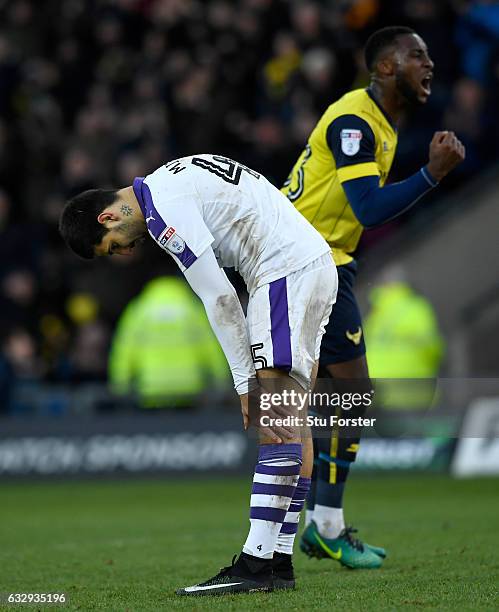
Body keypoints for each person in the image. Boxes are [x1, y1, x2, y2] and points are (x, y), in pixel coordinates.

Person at [59, 153, 337, 595]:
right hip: (308, 264)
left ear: (109, 215)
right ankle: (279, 560)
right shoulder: (173, 177)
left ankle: (254, 565)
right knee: (294, 423)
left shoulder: (163, 211)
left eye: (114, 244)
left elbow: (220, 298)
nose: (125, 253)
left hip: (283, 274)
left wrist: (245, 381)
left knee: (276, 423)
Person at [282, 26, 465, 568]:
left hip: (325, 262)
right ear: (385, 68)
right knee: (333, 398)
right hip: (306, 263)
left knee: (347, 398)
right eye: (417, 55)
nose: (428, 64)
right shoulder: (353, 121)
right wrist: (431, 175)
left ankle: (321, 525)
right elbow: (367, 209)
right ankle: (307, 529)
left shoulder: (380, 123)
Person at [108, 275, 229, 409]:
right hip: (189, 387)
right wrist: (221, 381)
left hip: (150, 388)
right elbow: (212, 346)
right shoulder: (192, 308)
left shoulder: (139, 309)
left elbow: (124, 349)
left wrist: (120, 385)